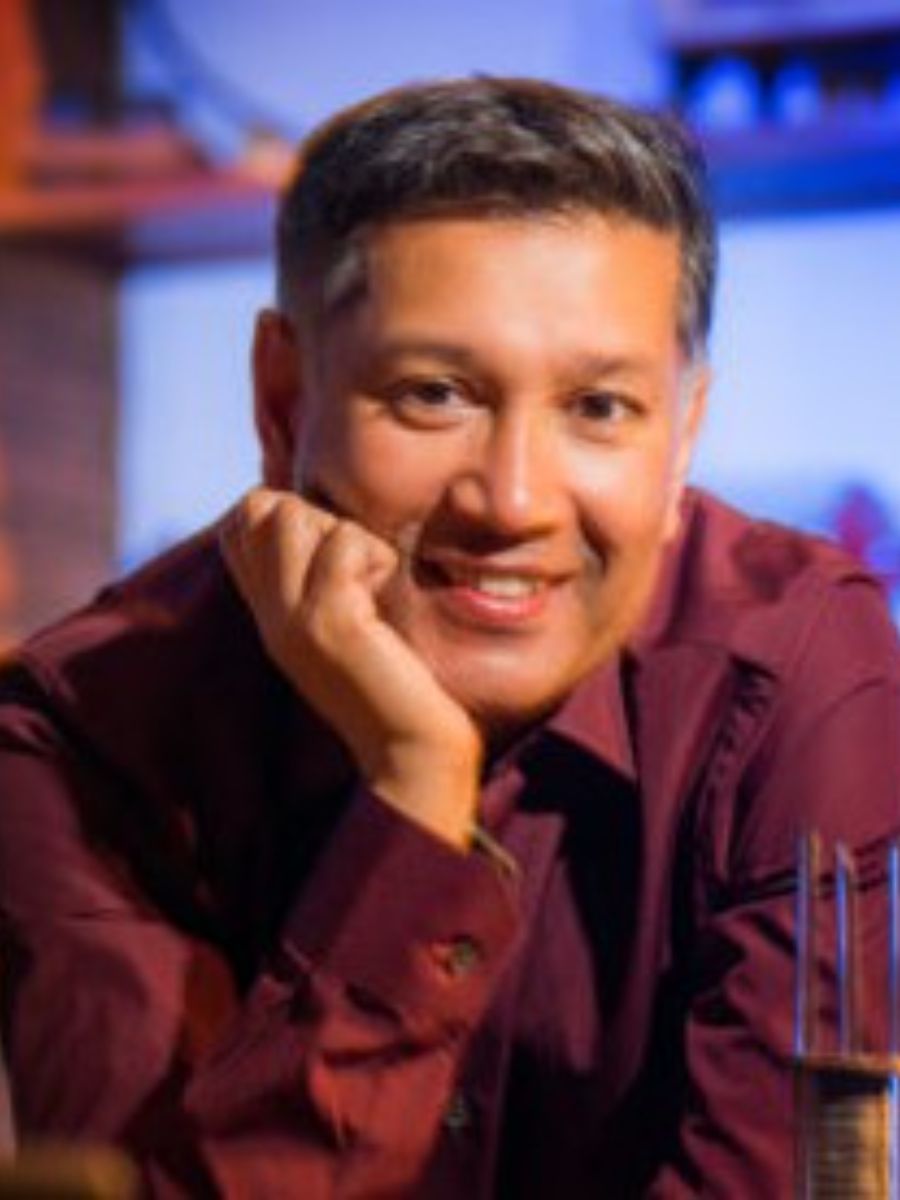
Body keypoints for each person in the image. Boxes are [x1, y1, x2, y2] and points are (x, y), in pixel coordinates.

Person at [0, 76, 898, 1198]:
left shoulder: (800, 667)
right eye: (434, 393)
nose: (513, 499)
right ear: (283, 407)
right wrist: (417, 792)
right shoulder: (87, 731)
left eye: (600, 408)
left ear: (680, 445)